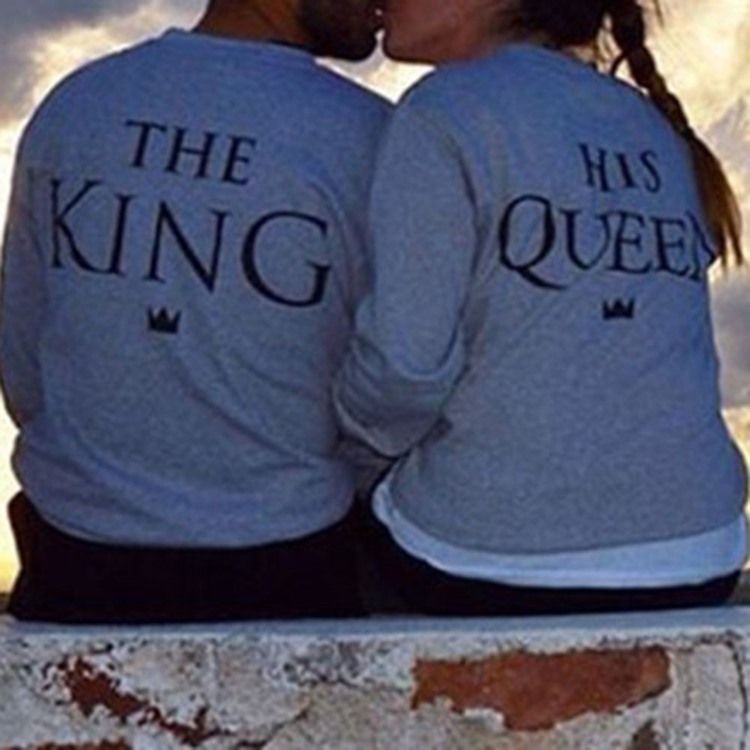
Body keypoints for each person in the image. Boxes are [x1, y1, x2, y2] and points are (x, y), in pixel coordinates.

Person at [334, 0, 748, 616]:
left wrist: (338, 452)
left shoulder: (446, 109)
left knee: (299, 523)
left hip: (489, 565)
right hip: (701, 552)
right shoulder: (650, 126)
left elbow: (403, 371)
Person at [0, 0, 391, 623]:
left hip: (73, 560)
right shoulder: (375, 137)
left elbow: (24, 359)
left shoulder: (80, 104)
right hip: (289, 567)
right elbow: (391, 383)